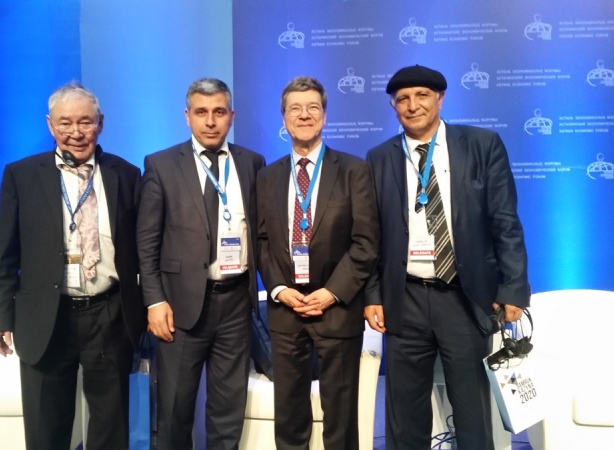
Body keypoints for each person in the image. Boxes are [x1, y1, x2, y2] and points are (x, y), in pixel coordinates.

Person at [364, 65, 530, 450]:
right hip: (404, 299)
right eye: (403, 99)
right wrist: (373, 294)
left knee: (472, 411)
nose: (413, 105)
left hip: (465, 296)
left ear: (440, 98)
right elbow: (371, 235)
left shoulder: (481, 145)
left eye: (422, 95)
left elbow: (505, 221)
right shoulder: (379, 157)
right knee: (404, 414)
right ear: (393, 106)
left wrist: (513, 288)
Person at [0, 82, 144, 450]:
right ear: (50, 125)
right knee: (47, 428)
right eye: (65, 123)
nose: (76, 132)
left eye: (85, 122)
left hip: (109, 313)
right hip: (46, 316)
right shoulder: (21, 175)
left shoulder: (126, 174)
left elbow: (142, 248)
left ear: (100, 123)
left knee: (111, 427)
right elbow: (5, 252)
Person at [136, 78, 265, 450]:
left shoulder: (251, 163)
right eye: (201, 112)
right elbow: (147, 241)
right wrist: (154, 300)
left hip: (236, 303)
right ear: (187, 116)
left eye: (219, 112)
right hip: (179, 306)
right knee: (175, 408)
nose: (210, 121)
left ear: (231, 116)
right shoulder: (161, 165)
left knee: (228, 409)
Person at [257, 76, 379, 450]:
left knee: (340, 420)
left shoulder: (354, 170)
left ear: (324, 116)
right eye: (295, 108)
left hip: (337, 310)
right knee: (289, 418)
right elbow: (261, 242)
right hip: (286, 312)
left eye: (313, 107)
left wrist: (331, 292)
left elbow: (366, 242)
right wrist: (279, 289)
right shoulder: (267, 176)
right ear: (284, 118)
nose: (304, 115)